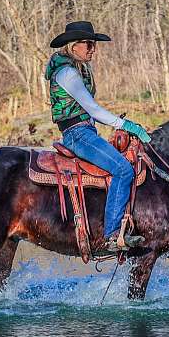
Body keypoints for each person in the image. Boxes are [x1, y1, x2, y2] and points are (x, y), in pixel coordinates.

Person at [45, 21, 150, 252]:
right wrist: (128, 126)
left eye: (94, 44)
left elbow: (90, 112)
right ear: (73, 46)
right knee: (123, 169)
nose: (93, 48)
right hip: (77, 135)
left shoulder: (79, 69)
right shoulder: (67, 73)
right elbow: (93, 110)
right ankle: (112, 234)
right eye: (88, 44)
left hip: (85, 131)